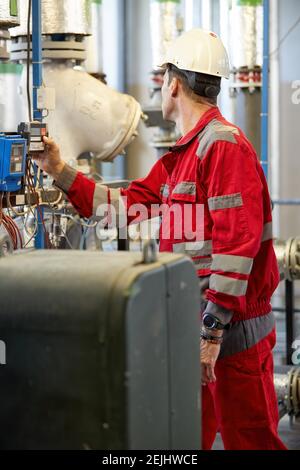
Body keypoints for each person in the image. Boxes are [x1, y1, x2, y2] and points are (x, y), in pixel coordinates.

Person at [34, 28, 287, 450]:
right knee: (185, 441)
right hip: (199, 328)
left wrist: (211, 333)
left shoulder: (223, 146)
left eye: (163, 77)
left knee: (251, 440)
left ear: (173, 83)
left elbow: (236, 249)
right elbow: (120, 204)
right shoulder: (182, 157)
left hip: (232, 336)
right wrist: (60, 170)